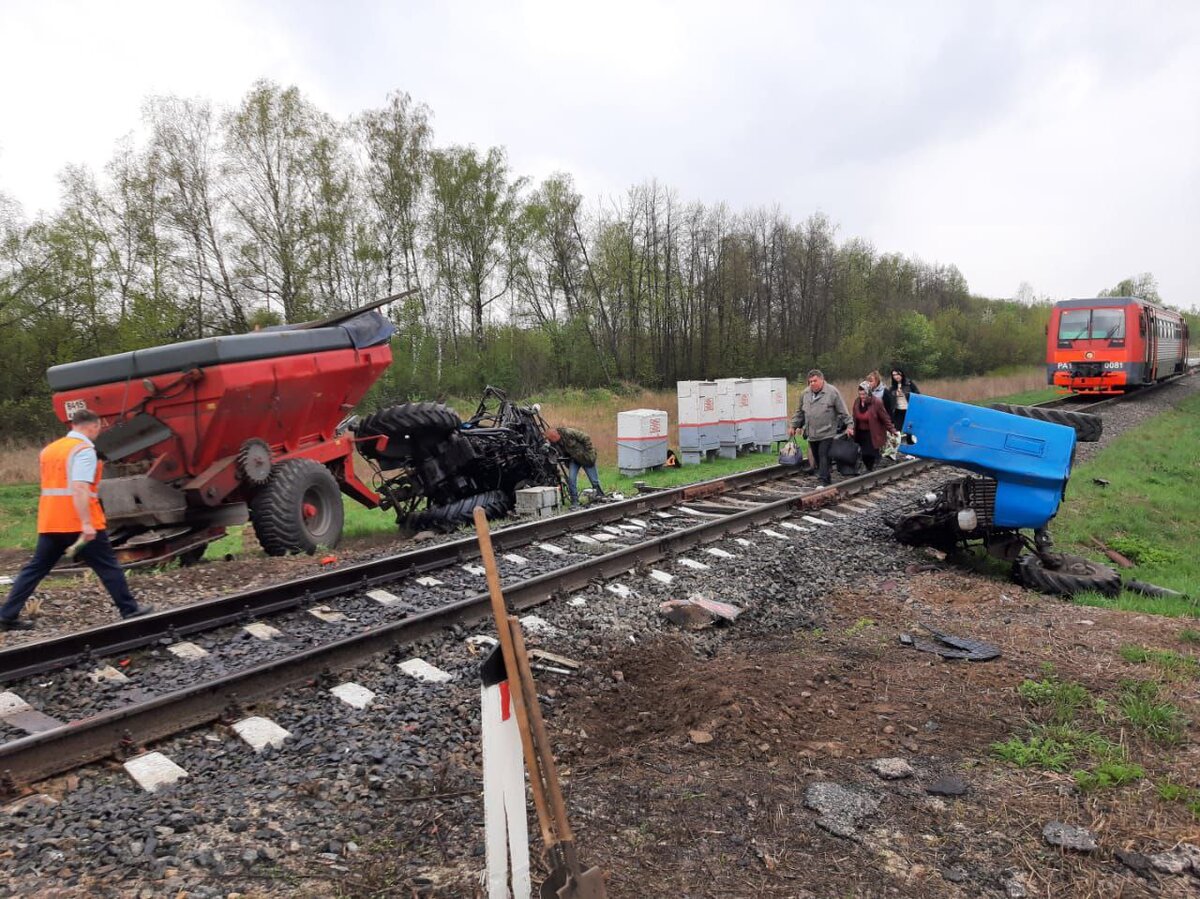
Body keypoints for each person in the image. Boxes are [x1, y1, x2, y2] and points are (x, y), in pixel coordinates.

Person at [0, 410, 153, 631]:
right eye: (99, 427)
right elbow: (80, 487)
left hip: (51, 521)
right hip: (77, 522)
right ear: (93, 426)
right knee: (108, 567)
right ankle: (129, 610)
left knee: (35, 569)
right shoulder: (84, 450)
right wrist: (86, 524)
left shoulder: (50, 450)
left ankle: (6, 615)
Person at [788, 369, 851, 487]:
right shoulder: (805, 394)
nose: (812, 383)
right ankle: (824, 474)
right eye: (810, 381)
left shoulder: (832, 392)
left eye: (815, 381)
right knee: (817, 456)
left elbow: (843, 411)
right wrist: (793, 425)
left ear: (822, 380)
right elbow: (800, 412)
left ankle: (824, 480)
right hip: (812, 433)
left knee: (823, 454)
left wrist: (850, 425)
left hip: (827, 431)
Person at [544, 426, 604, 506]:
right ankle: (575, 501)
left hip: (586, 458)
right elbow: (554, 453)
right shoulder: (554, 443)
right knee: (571, 480)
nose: (551, 440)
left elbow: (585, 437)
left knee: (594, 480)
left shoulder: (568, 432)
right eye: (550, 439)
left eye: (552, 438)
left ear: (556, 434)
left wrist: (588, 451)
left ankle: (600, 496)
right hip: (574, 459)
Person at [851, 381, 897, 472]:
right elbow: (854, 416)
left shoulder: (877, 402)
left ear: (869, 392)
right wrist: (850, 427)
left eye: (864, 394)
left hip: (873, 432)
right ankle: (869, 469)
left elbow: (885, 418)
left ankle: (871, 469)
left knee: (870, 453)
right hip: (860, 432)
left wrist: (892, 429)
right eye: (860, 394)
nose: (862, 396)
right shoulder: (857, 402)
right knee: (864, 454)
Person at [886, 367, 921, 433]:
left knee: (909, 430)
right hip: (898, 411)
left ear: (901, 374)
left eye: (897, 374)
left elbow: (917, 394)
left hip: (909, 410)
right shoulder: (893, 387)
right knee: (898, 430)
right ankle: (900, 439)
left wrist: (906, 393)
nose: (896, 376)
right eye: (894, 375)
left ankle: (909, 439)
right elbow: (888, 398)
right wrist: (895, 393)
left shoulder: (909, 383)